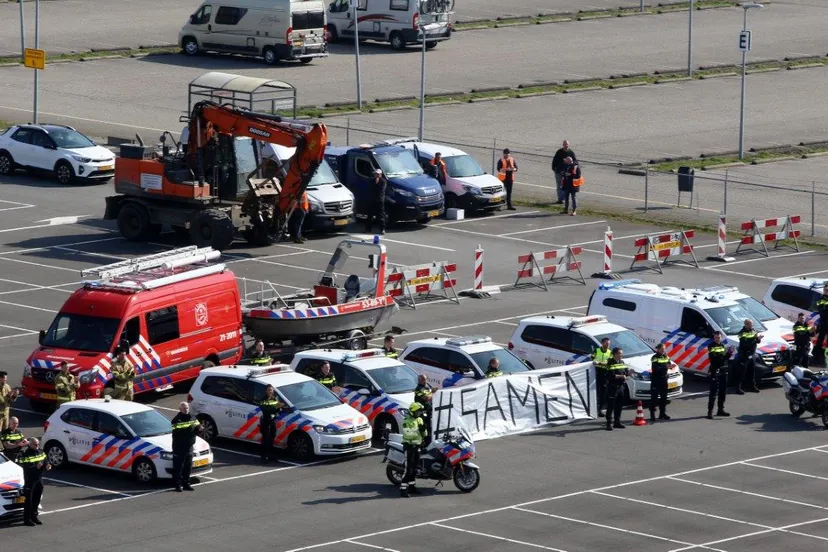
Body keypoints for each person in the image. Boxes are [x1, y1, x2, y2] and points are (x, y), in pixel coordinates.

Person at [17, 437, 50, 526]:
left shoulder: (40, 451)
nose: (37, 446)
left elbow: (45, 459)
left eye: (38, 444)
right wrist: (36, 467)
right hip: (30, 480)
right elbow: (26, 468)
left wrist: (47, 465)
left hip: (39, 478)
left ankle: (34, 516)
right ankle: (27, 519)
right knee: (29, 500)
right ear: (30, 444)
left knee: (37, 499)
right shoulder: (26, 454)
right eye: (35, 445)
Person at [170, 401, 201, 492]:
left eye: (187, 407)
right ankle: (177, 485)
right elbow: (180, 430)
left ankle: (186, 484)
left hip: (189, 447)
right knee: (178, 467)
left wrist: (199, 428)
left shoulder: (193, 417)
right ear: (180, 409)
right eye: (184, 408)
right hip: (179, 447)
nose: (186, 409)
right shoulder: (176, 419)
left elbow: (197, 426)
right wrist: (191, 426)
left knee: (188, 467)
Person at [400, 402, 427, 498]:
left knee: (415, 468)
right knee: (408, 469)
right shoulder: (406, 421)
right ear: (412, 412)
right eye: (417, 412)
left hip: (417, 447)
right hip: (409, 447)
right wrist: (419, 430)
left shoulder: (419, 420)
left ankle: (412, 486)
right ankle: (403, 489)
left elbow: (424, 434)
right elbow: (408, 435)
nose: (419, 413)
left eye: (420, 412)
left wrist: (423, 430)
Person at [707, 332, 732, 419]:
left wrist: (730, 353)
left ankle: (720, 410)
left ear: (721, 338)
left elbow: (725, 358)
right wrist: (725, 356)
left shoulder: (723, 346)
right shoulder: (711, 346)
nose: (717, 339)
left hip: (723, 370)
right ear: (714, 338)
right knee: (713, 392)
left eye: (719, 337)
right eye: (716, 337)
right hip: (715, 371)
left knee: (723, 391)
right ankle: (710, 412)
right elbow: (714, 359)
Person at [604, 348, 629, 430]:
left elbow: (625, 372)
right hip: (613, 387)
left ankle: (617, 422)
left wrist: (629, 373)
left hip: (621, 387)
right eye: (620, 353)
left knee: (619, 405)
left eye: (622, 353)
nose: (621, 355)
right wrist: (621, 376)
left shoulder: (622, 362)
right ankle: (608, 423)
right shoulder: (610, 363)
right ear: (615, 354)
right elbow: (610, 376)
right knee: (610, 406)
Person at [258, 384, 283, 464]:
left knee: (271, 439)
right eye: (269, 390)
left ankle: (270, 455)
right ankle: (263, 457)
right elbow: (266, 410)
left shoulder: (274, 399)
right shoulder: (263, 400)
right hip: (265, 422)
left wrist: (277, 410)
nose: (270, 392)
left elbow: (278, 411)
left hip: (272, 421)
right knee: (265, 439)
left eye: (271, 390)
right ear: (266, 391)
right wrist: (276, 407)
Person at [736, 319, 762, 394]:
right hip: (745, 354)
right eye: (751, 324)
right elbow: (745, 344)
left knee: (752, 371)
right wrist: (754, 340)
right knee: (742, 371)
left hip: (752, 353)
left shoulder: (753, 330)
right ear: (746, 324)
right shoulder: (741, 333)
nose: (752, 325)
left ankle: (752, 386)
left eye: (752, 324)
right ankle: (738, 388)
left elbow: (757, 341)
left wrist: (758, 339)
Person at [551, 140, 577, 205]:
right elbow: (554, 160)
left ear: (568, 145)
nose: (566, 145)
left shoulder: (571, 152)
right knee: (559, 186)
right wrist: (554, 168)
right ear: (563, 145)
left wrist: (572, 168)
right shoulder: (559, 152)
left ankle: (565, 199)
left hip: (567, 173)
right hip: (558, 172)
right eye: (565, 144)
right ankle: (560, 199)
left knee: (565, 186)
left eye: (567, 144)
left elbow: (575, 162)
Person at [649, 343, 670, 421]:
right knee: (654, 398)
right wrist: (665, 367)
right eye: (662, 349)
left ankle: (662, 414)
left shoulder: (666, 356)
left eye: (664, 349)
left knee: (664, 398)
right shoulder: (654, 357)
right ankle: (652, 415)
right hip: (656, 380)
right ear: (658, 349)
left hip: (664, 380)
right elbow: (655, 368)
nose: (663, 351)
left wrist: (670, 366)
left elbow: (669, 364)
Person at [591, 338, 611, 417]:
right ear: (602, 343)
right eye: (607, 343)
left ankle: (600, 410)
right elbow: (592, 359)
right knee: (595, 392)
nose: (608, 345)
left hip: (605, 374)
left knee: (603, 393)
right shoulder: (596, 350)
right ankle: (594, 409)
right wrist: (595, 362)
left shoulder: (610, 352)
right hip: (596, 373)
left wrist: (599, 363)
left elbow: (610, 363)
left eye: (609, 343)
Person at [365, 169, 387, 235]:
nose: (376, 175)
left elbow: (381, 190)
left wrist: (377, 184)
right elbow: (370, 188)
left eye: (378, 174)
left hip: (379, 200)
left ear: (380, 174)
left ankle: (382, 229)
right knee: (369, 215)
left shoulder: (383, 181)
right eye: (376, 174)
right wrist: (375, 184)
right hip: (372, 200)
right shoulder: (372, 180)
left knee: (381, 215)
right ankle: (368, 228)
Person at [813, 284, 828, 364]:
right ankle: (817, 356)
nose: (826, 291)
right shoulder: (821, 299)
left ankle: (823, 354)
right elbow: (821, 311)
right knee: (820, 340)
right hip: (824, 322)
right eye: (825, 290)